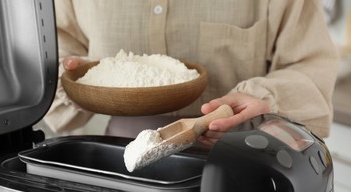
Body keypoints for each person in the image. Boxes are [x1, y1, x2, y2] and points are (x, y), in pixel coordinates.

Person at [44, 0, 339, 146]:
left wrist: (264, 97)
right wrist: (76, 82)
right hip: (122, 162)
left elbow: (310, 67)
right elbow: (54, 53)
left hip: (243, 163)